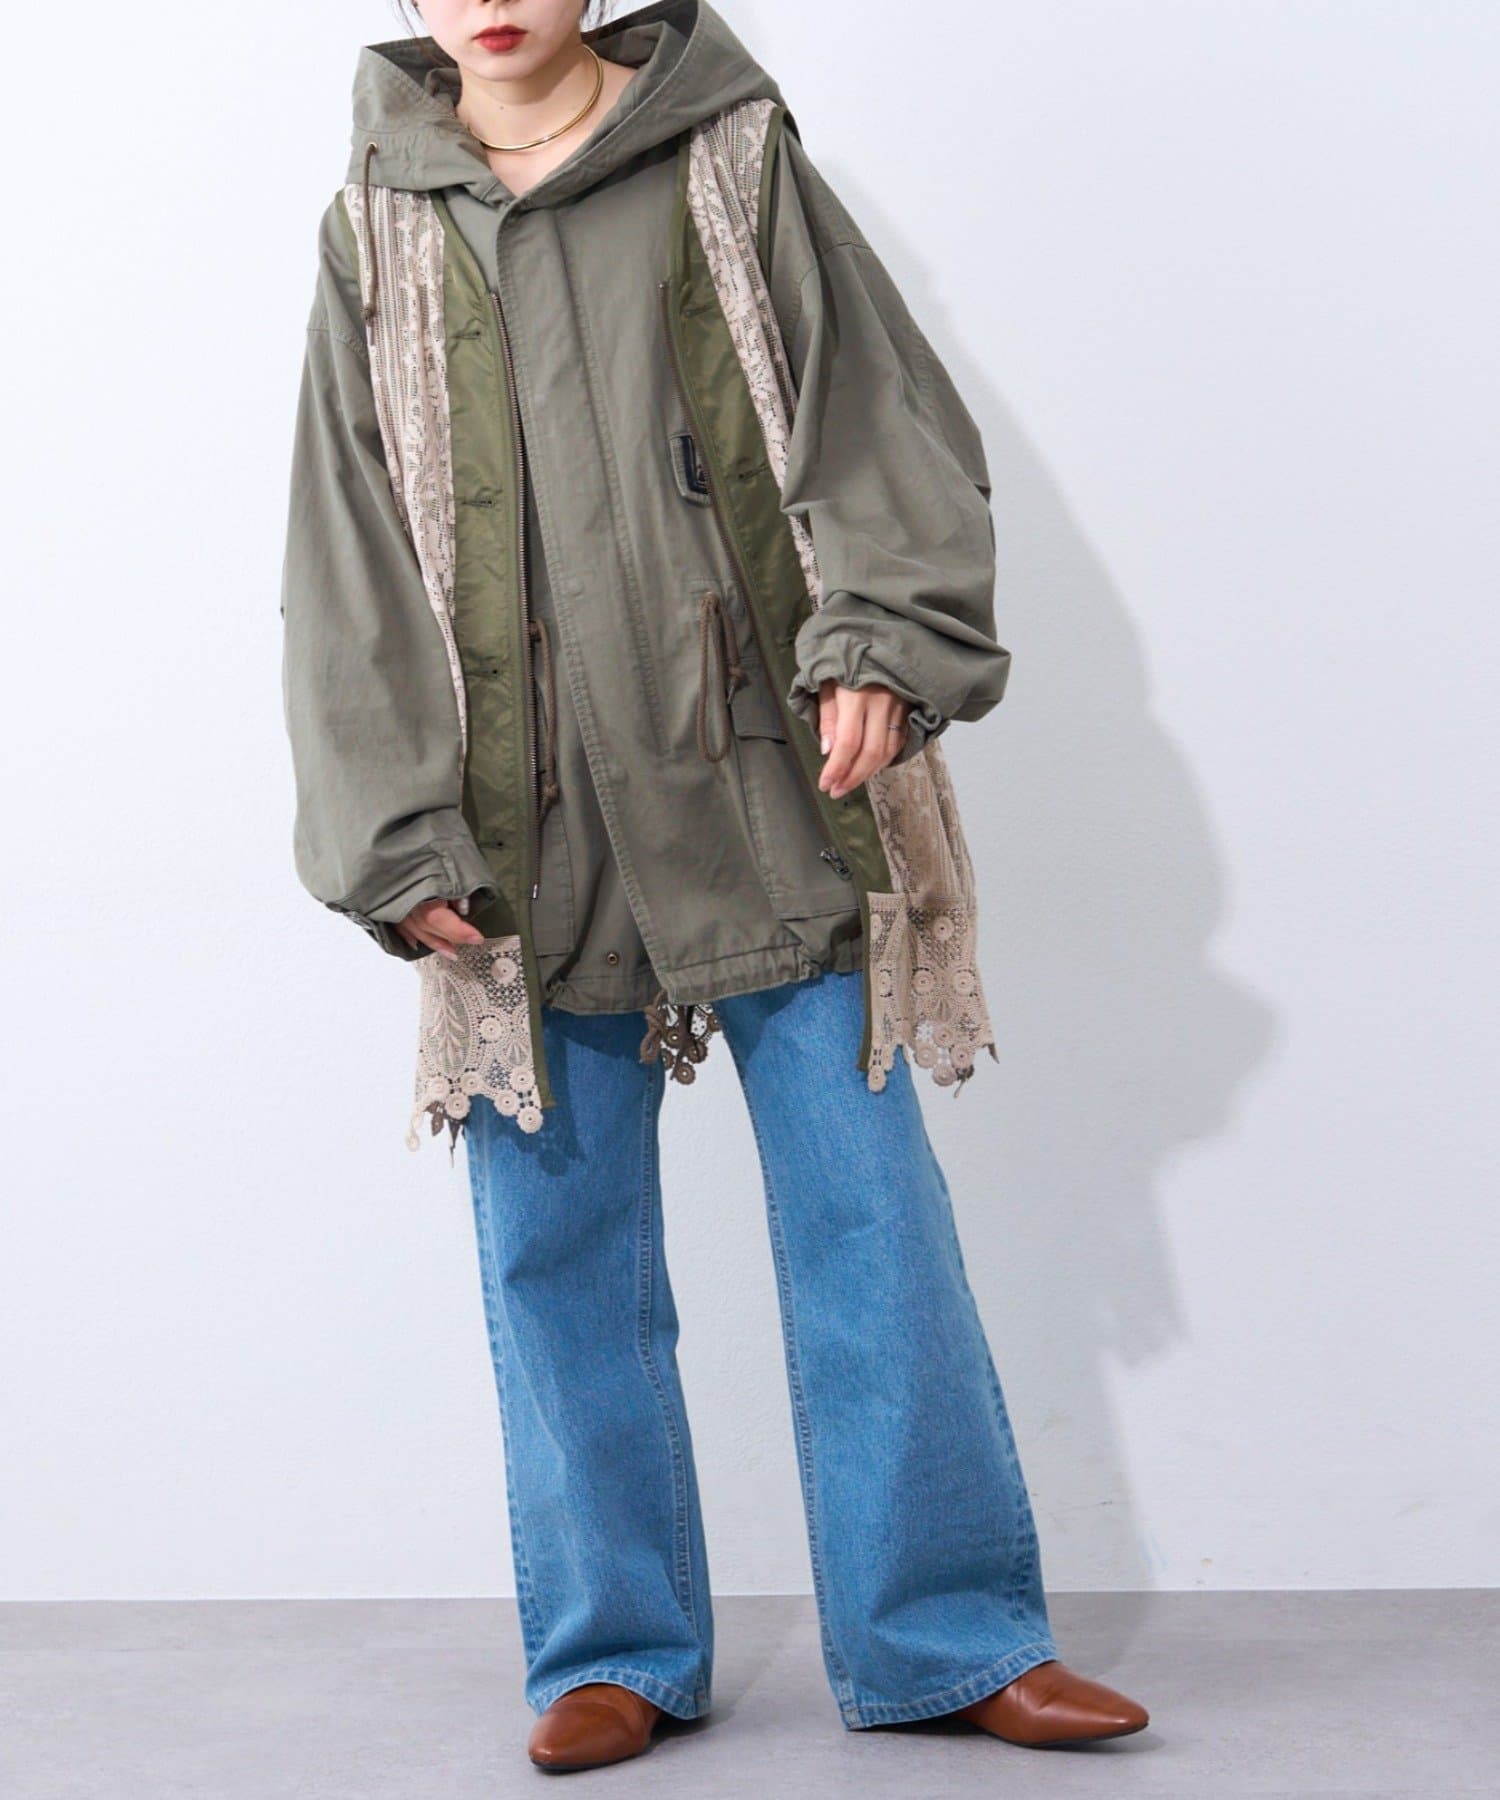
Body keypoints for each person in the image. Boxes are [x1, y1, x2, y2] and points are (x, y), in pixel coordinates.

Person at [279, 0, 1150, 1773]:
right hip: (522, 824)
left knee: (868, 1218)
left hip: (770, 779)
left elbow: (871, 412)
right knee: (556, 1248)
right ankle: (612, 1650)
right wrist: (393, 827)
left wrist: (881, 641)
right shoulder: (378, 221)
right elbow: (347, 539)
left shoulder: (729, 156)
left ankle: (946, 1636)